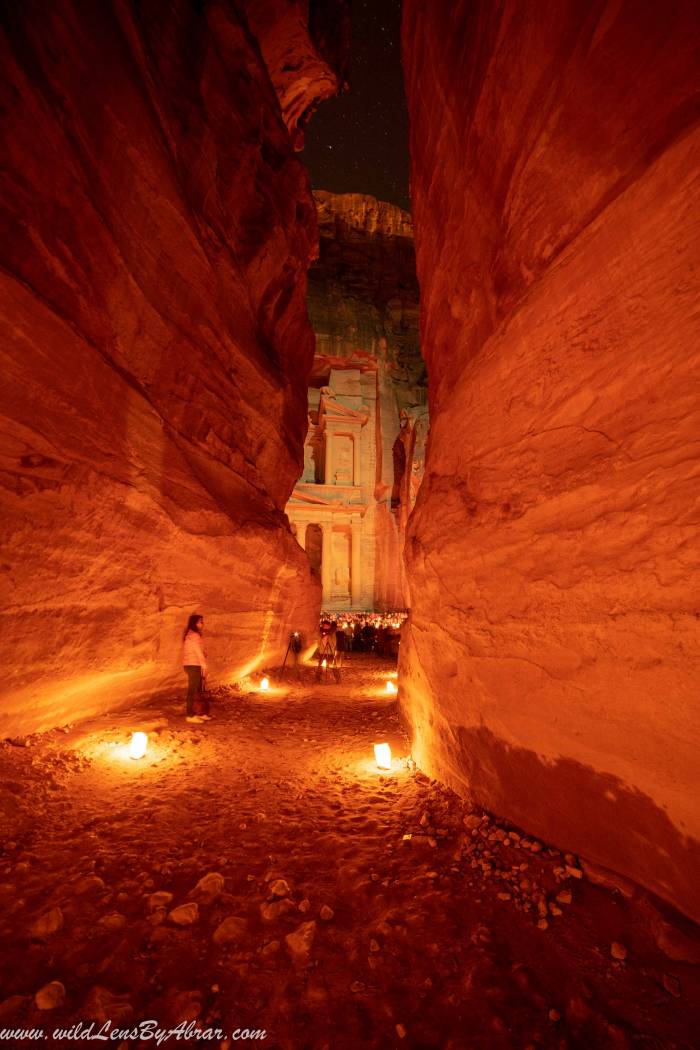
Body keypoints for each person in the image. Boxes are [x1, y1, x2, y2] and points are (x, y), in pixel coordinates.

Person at [182, 614, 209, 723]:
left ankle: (199, 713)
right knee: (192, 691)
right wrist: (204, 665)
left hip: (192, 664)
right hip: (193, 665)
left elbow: (197, 650)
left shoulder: (191, 635)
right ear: (195, 623)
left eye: (202, 621)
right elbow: (197, 652)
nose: (202, 623)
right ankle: (189, 715)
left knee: (197, 690)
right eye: (200, 621)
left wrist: (203, 654)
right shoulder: (194, 636)